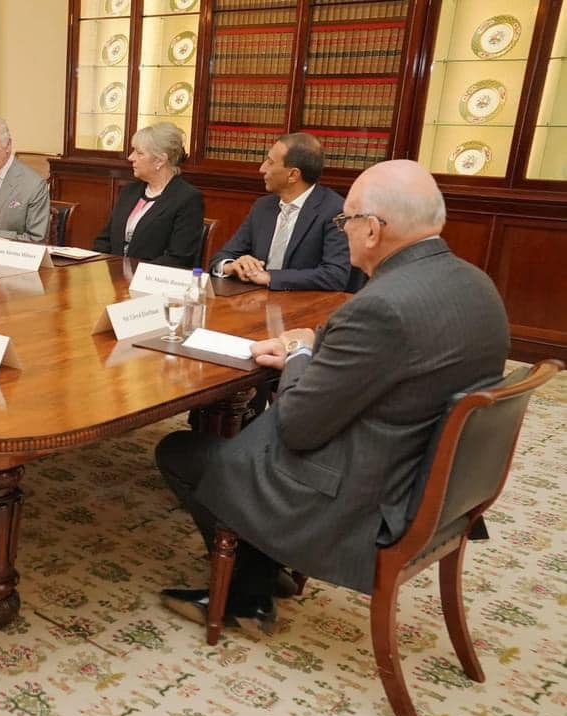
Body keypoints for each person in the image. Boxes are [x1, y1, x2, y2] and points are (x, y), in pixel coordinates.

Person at [155, 160, 510, 634]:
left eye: (345, 221)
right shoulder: (475, 283)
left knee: (183, 451)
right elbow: (398, 354)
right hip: (430, 476)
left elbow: (299, 428)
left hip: (368, 493)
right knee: (245, 442)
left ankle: (246, 591)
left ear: (371, 230)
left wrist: (300, 353)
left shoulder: (380, 307)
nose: (341, 231)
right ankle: (263, 564)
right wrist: (319, 345)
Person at [209, 133, 351, 291]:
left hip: (305, 308)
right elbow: (222, 256)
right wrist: (232, 266)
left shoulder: (335, 210)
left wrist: (270, 277)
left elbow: (335, 275)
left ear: (293, 175)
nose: (262, 169)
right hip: (254, 302)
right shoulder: (263, 207)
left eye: (270, 162)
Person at [93, 122, 203, 267]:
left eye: (139, 153)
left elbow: (178, 258)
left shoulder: (187, 199)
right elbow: (104, 240)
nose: (130, 157)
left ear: (160, 160)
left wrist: (137, 275)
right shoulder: (129, 192)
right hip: (114, 278)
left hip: (154, 283)